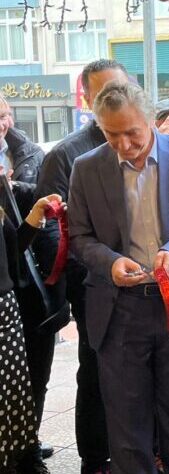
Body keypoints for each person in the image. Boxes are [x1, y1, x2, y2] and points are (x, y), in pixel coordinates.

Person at [67, 81, 169, 474]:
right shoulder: (87, 168)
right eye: (110, 134)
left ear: (151, 120)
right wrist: (110, 263)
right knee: (126, 425)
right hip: (119, 309)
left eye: (132, 132)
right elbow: (80, 237)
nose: (123, 144)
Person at [33, 58, 129, 474]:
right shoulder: (67, 154)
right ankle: (95, 459)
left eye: (120, 89)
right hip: (92, 283)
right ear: (87, 99)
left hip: (144, 279)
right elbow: (51, 232)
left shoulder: (144, 139)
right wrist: (87, 275)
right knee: (96, 371)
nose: (114, 99)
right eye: (103, 92)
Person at [0, 95, 63, 474]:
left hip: (7, 303)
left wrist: (36, 215)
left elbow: (11, 250)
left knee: (13, 397)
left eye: (4, 116)